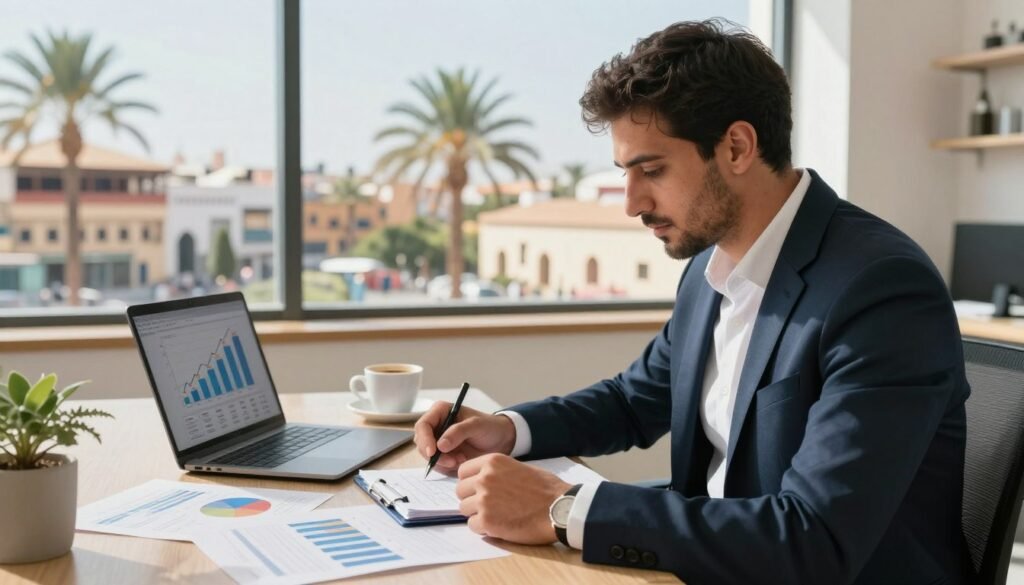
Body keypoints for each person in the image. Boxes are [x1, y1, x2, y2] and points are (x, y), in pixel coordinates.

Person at [414, 19, 969, 585]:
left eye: (651, 170)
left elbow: (814, 538)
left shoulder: (880, 289)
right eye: (625, 174)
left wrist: (563, 509)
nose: (631, 204)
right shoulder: (710, 268)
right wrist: (509, 430)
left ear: (736, 147)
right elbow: (635, 401)